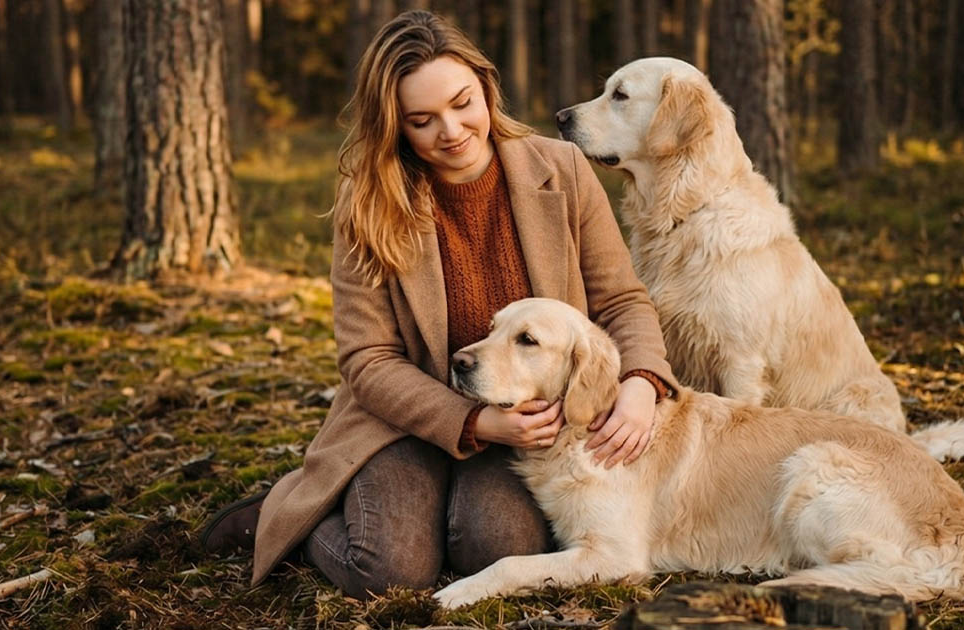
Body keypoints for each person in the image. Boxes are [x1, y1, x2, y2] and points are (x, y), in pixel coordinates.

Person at [199, 10, 677, 597]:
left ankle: (439, 511)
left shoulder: (563, 169)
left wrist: (640, 381)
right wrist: (473, 420)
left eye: (462, 102)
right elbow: (367, 359)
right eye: (421, 120)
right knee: (389, 573)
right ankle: (291, 516)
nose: (450, 131)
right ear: (395, 126)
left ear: (486, 86)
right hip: (405, 419)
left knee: (497, 547)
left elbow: (622, 300)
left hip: (529, 425)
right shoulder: (369, 199)